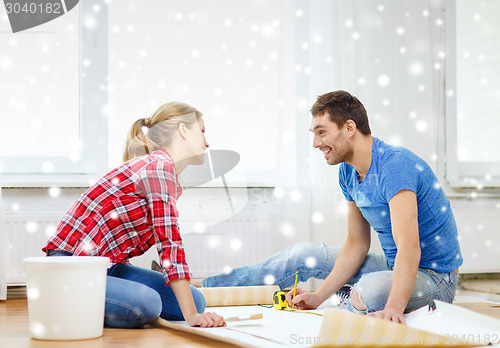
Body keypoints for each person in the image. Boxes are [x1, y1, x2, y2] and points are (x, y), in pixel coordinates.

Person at [194, 90, 463, 324]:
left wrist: (393, 309)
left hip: (436, 278)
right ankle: (201, 289)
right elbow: (357, 244)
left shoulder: (395, 166)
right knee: (303, 254)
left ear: (349, 127)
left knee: (369, 290)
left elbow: (409, 247)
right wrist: (318, 296)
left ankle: (357, 298)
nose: (316, 143)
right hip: (397, 268)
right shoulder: (348, 172)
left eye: (322, 132)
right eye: (314, 134)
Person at [43, 102, 225, 328]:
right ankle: (63, 297)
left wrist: (192, 312)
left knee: (196, 301)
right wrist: (192, 319)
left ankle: (83, 300)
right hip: (73, 266)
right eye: (202, 131)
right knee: (147, 304)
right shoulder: (160, 167)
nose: (207, 142)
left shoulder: (163, 171)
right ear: (183, 130)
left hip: (108, 267)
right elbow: (169, 244)